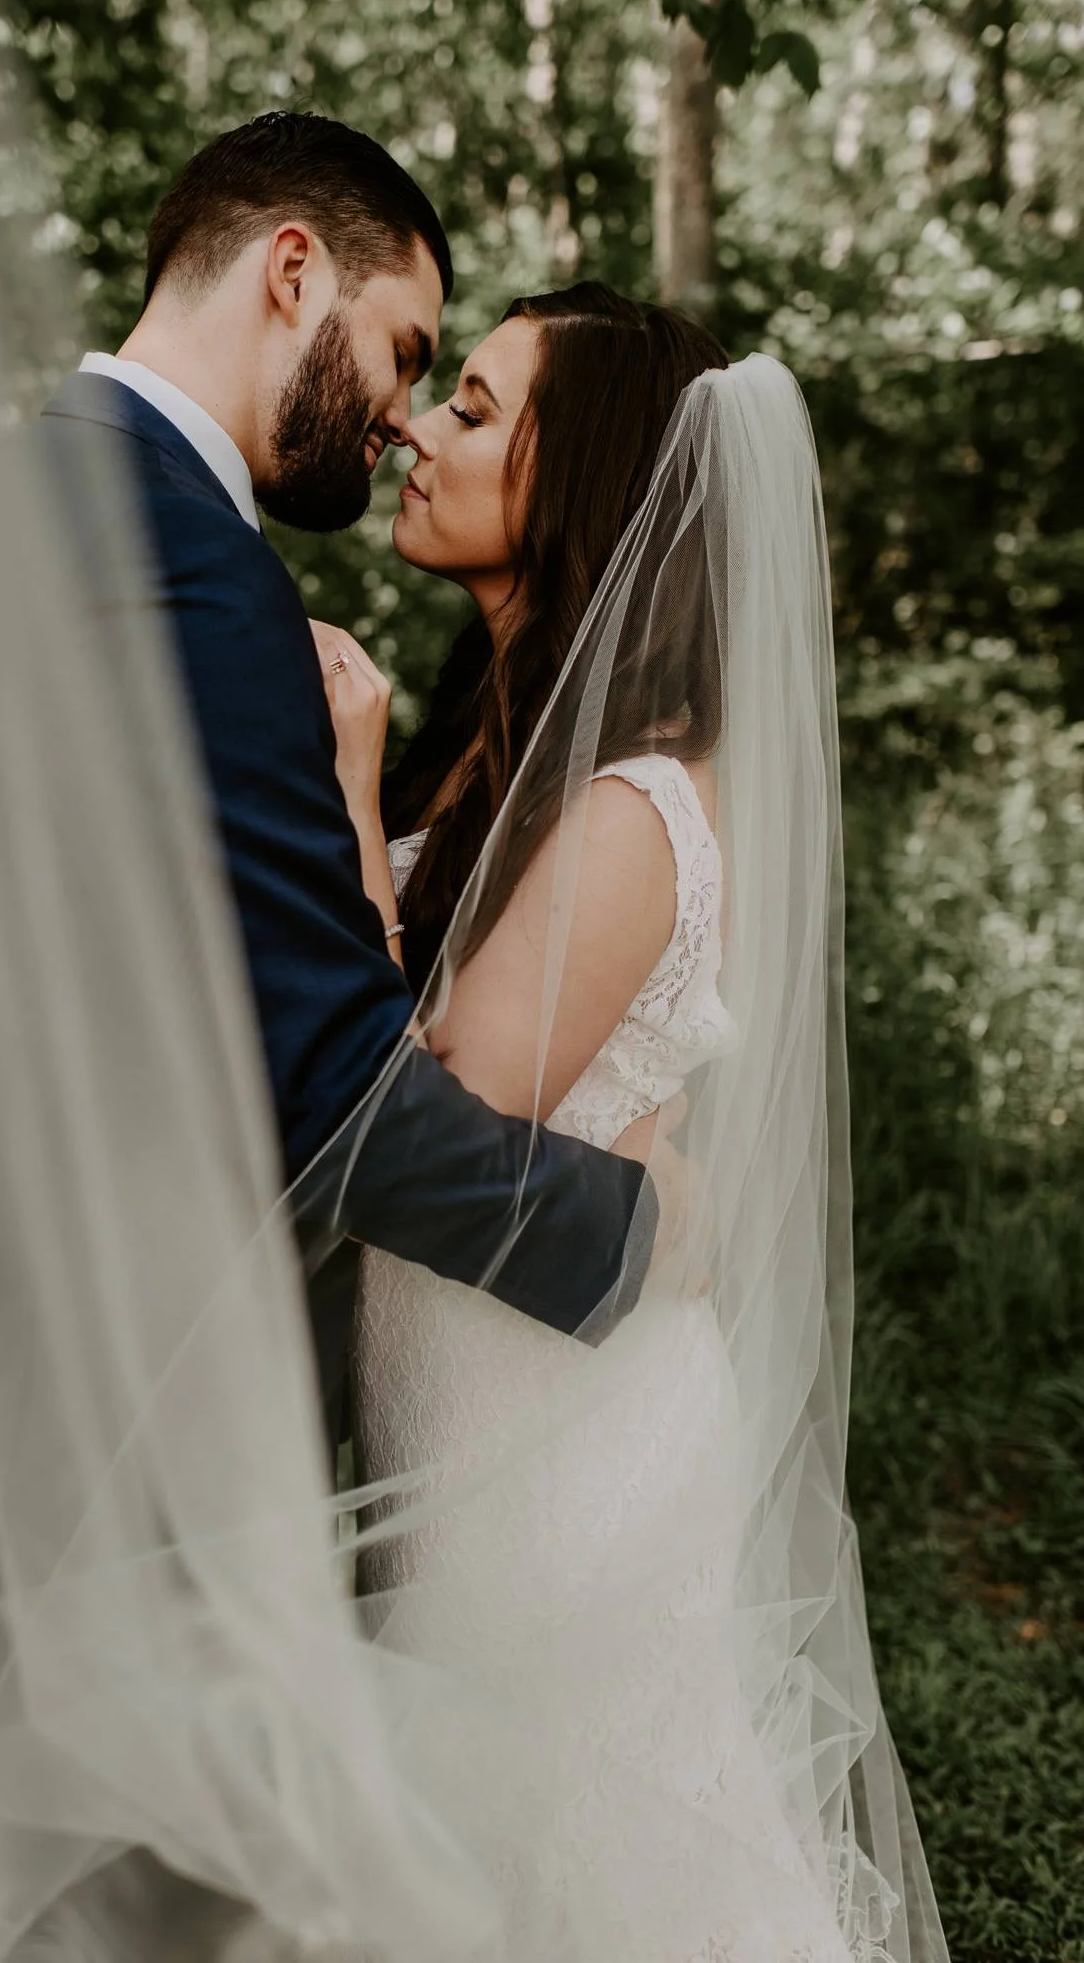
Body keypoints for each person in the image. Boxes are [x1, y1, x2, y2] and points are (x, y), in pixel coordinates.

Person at [311, 288, 949, 1962]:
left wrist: (350, 799)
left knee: (569, 1855)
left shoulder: (627, 809)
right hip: (478, 1379)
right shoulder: (511, 747)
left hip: (556, 1427)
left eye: (469, 407)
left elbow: (422, 1114)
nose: (414, 431)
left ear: (576, 475)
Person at [34, 115, 656, 1440]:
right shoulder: (200, 572)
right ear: (293, 272)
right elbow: (321, 1089)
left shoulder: (39, 484)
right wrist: (632, 1231)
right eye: (406, 355)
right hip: (117, 1391)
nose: (400, 415)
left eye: (453, 394)